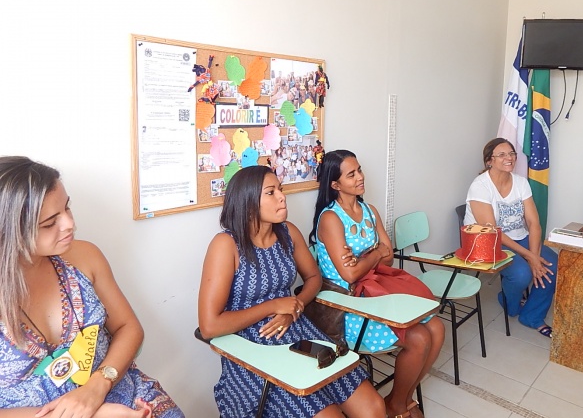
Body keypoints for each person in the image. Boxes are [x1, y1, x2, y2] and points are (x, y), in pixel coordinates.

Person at [0, 156, 184, 417]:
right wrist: (93, 413)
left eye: (67, 207)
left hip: (122, 392)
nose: (69, 224)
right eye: (50, 223)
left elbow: (129, 327)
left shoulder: (84, 256)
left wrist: (98, 385)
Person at [198, 166, 384, 418]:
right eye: (271, 192)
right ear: (248, 202)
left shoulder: (287, 232)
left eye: (280, 190)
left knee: (374, 408)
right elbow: (209, 326)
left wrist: (295, 305)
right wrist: (274, 306)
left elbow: (314, 278)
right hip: (251, 344)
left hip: (297, 330)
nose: (282, 197)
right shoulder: (226, 244)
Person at [310, 150, 444, 418]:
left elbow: (389, 256)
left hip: (376, 291)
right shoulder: (330, 218)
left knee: (437, 329)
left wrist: (363, 259)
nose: (360, 177)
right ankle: (399, 406)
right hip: (348, 303)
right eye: (351, 174)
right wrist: (374, 254)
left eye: (359, 170)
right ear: (335, 184)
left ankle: (399, 400)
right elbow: (350, 275)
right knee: (419, 338)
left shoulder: (370, 211)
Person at [462, 138, 558, 338]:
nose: (509, 158)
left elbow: (533, 223)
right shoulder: (480, 186)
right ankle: (508, 301)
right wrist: (530, 257)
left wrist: (534, 256)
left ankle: (532, 316)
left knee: (551, 263)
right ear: (489, 160)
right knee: (522, 274)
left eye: (512, 153)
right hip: (488, 242)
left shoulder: (521, 183)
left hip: (518, 237)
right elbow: (493, 232)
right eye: (502, 154)